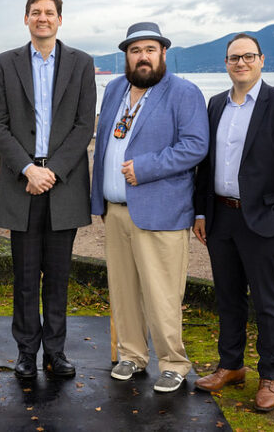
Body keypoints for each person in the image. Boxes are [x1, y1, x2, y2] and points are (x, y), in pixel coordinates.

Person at [90, 22, 209, 393]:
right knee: (123, 289)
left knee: (161, 292)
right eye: (135, 50)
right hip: (116, 210)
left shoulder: (184, 92)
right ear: (126, 55)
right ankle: (132, 354)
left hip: (161, 210)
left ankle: (173, 362)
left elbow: (195, 146)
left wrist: (145, 167)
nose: (143, 57)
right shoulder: (114, 89)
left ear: (163, 54)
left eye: (150, 50)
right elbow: (107, 142)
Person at [192, 33, 274, 412]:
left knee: (267, 301)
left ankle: (270, 376)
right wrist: (201, 211)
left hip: (263, 221)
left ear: (261, 60)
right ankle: (231, 365)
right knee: (227, 297)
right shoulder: (215, 105)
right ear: (225, 64)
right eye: (232, 58)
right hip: (221, 217)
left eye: (247, 56)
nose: (239, 63)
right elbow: (205, 166)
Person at [0, 0, 96, 379]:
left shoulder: (83, 63)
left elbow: (86, 124)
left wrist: (52, 171)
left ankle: (56, 351)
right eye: (36, 13)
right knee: (25, 276)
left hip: (63, 184)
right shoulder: (5, 63)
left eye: (49, 13)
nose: (43, 18)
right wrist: (28, 170)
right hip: (22, 184)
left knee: (59, 276)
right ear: (26, 19)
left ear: (60, 20)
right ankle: (25, 352)